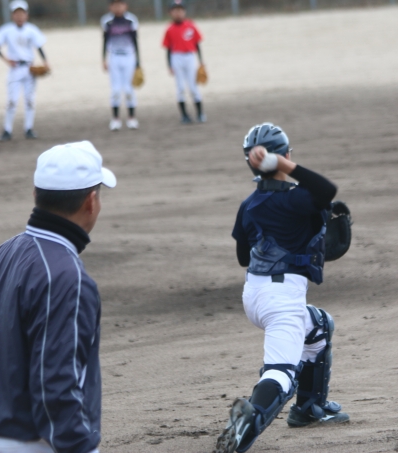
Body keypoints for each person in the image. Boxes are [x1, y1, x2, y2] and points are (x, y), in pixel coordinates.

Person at [0, 141, 117, 453]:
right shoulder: (67, 276)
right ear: (91, 202)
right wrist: (82, 446)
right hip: (35, 444)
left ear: (36, 194)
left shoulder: (3, 253)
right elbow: (57, 385)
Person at [215, 123, 349, 453]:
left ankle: (309, 409)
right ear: (285, 156)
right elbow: (326, 189)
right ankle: (242, 432)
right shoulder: (297, 200)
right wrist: (284, 166)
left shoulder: (249, 205)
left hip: (254, 295)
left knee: (318, 327)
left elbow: (243, 257)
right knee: (281, 374)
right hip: (281, 300)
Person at [0, 0, 49, 141]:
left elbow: (39, 47)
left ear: (27, 15)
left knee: (30, 100)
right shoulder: (7, 30)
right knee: (12, 100)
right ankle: (7, 130)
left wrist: (45, 62)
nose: (19, 16)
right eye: (16, 13)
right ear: (12, 15)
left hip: (29, 68)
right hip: (15, 69)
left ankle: (29, 128)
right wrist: (6, 60)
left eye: (22, 13)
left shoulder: (31, 29)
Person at [162, 0, 206, 124]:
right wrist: (169, 65)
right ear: (171, 13)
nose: (178, 13)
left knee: (193, 87)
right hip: (176, 57)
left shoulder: (191, 25)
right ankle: (184, 115)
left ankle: (200, 113)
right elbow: (168, 49)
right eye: (175, 10)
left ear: (184, 11)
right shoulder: (169, 29)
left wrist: (201, 61)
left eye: (180, 10)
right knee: (180, 88)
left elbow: (197, 44)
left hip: (190, 56)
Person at [101, 0, 141, 131]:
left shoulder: (131, 20)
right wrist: (103, 59)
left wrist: (138, 61)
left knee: (129, 89)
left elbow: (135, 41)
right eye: (115, 5)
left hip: (129, 56)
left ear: (126, 6)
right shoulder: (107, 21)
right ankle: (115, 119)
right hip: (114, 57)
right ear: (110, 7)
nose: (118, 7)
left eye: (120, 4)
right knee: (116, 90)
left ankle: (131, 118)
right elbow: (105, 41)